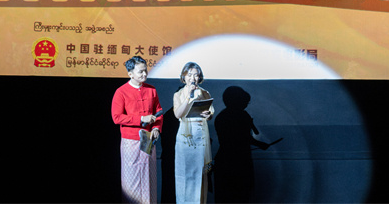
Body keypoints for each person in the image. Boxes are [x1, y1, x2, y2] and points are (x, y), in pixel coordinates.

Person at [111, 56, 163, 204]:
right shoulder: (121, 92)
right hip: (130, 142)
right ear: (130, 74)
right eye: (140, 72)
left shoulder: (151, 90)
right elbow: (116, 117)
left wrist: (156, 128)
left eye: (145, 70)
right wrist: (141, 119)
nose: (144, 74)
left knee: (149, 178)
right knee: (132, 180)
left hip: (148, 140)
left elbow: (159, 112)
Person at [214, 86, 270, 204]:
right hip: (239, 162)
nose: (246, 105)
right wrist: (260, 144)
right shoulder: (241, 116)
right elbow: (244, 137)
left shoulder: (221, 116)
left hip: (223, 161)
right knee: (241, 195)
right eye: (245, 102)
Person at [173, 62, 214, 204]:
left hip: (200, 135)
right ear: (183, 77)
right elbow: (178, 114)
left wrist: (208, 115)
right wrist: (188, 96)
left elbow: (210, 114)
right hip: (185, 137)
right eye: (189, 75)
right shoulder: (178, 94)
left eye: (196, 75)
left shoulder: (205, 93)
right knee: (184, 173)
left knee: (199, 175)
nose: (192, 78)